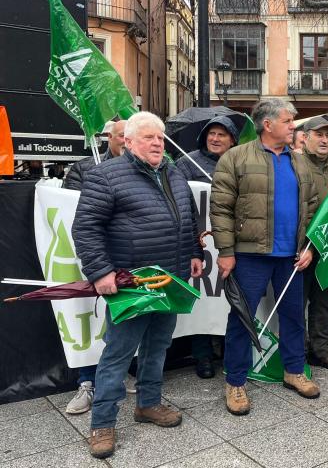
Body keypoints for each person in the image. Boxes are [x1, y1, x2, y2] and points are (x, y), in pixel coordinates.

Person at [72, 112, 204, 459]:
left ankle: (148, 404)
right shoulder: (105, 176)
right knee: (117, 353)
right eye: (148, 137)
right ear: (127, 142)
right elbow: (86, 229)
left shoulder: (173, 173)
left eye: (160, 138)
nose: (157, 143)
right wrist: (100, 272)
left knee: (158, 346)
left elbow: (188, 218)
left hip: (168, 280)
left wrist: (193, 251)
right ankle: (102, 423)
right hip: (131, 282)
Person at [211, 99, 319, 414]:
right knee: (243, 320)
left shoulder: (300, 162)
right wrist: (227, 252)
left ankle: (294, 371)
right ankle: (235, 382)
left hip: (292, 257)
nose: (293, 127)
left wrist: (309, 246)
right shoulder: (235, 158)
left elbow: (311, 206)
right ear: (268, 124)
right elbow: (220, 208)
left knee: (294, 316)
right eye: (288, 121)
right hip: (250, 255)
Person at [63, 119, 128, 416]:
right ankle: (87, 381)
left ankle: (117, 377)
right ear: (107, 138)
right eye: (122, 137)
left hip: (126, 260)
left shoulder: (148, 169)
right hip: (94, 261)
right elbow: (71, 211)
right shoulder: (84, 168)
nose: (127, 142)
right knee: (88, 319)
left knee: (121, 322)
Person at [175, 115, 239, 379]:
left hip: (230, 243)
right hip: (199, 242)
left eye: (221, 134)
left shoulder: (239, 162)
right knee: (203, 298)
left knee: (229, 298)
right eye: (211, 134)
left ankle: (227, 350)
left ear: (232, 139)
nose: (215, 138)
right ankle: (202, 355)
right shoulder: (185, 162)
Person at [299, 116, 328, 371]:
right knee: (298, 302)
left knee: (323, 302)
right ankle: (297, 351)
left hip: (327, 247)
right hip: (301, 248)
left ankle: (320, 348)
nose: (325, 139)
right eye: (319, 134)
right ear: (305, 138)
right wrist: (302, 244)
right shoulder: (294, 164)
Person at [64, 120, 125, 190]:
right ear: (110, 137)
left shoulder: (140, 169)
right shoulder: (81, 169)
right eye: (122, 135)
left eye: (132, 137)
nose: (127, 140)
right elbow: (73, 198)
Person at [176, 115, 238, 183]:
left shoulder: (241, 163)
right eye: (212, 133)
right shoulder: (187, 162)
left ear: (232, 141)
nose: (215, 139)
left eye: (221, 135)